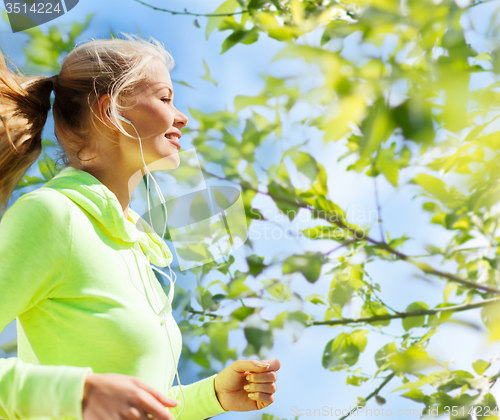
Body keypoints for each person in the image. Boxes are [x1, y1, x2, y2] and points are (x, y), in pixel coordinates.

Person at [0, 33, 280, 420]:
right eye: (165, 98)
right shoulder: (53, 216)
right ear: (109, 111)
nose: (182, 116)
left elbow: (132, 402)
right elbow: (91, 398)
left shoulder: (132, 244)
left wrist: (212, 395)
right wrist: (74, 393)